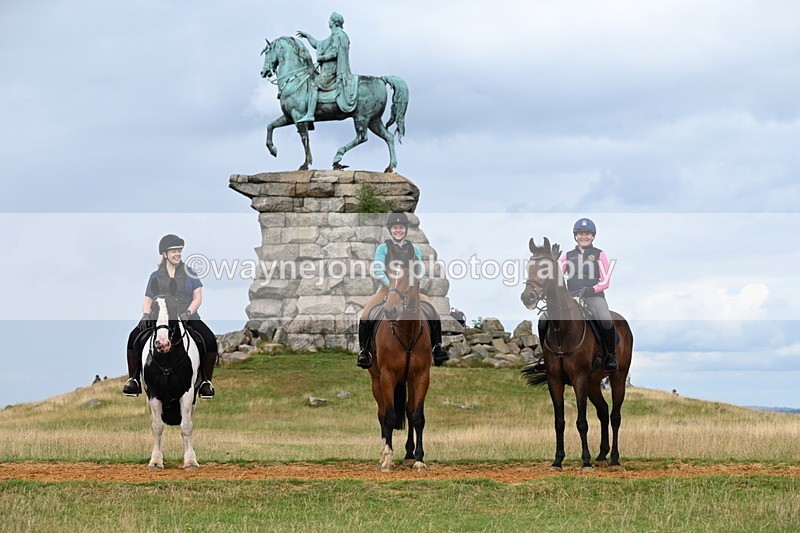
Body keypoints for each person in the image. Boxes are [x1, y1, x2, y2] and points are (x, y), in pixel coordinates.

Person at [122, 234, 219, 398]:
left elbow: (198, 297)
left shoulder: (190, 272)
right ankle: (134, 380)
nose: (177, 254)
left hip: (186, 315)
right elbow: (147, 299)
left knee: (209, 339)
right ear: (165, 254)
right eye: (174, 251)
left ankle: (205, 382)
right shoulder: (155, 276)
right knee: (134, 337)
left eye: (179, 251)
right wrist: (146, 315)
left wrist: (188, 312)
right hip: (160, 316)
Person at [356, 211, 449, 369]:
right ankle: (365, 352)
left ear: (405, 229)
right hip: (387, 288)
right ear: (390, 230)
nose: (398, 230)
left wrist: (411, 284)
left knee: (433, 311)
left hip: (409, 289)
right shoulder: (383, 248)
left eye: (401, 227)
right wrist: (391, 285)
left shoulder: (415, 249)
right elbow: (377, 270)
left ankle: (437, 348)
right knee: (366, 313)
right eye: (395, 228)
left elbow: (419, 269)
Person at [534, 218, 618, 373]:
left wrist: (592, 290)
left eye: (587, 234)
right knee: (543, 319)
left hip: (593, 296)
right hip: (571, 296)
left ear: (593, 236)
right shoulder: (568, 255)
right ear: (575, 236)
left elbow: (606, 281)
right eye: (580, 234)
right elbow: (556, 275)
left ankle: (610, 356)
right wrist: (553, 261)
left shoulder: (599, 254)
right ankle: (545, 356)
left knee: (605, 320)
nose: (583, 237)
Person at [296, 12, 358, 123]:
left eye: (329, 19)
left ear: (334, 22)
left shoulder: (338, 35)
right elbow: (318, 44)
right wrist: (307, 36)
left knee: (313, 84)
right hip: (327, 70)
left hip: (332, 71)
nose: (328, 22)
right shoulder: (332, 36)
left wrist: (321, 58)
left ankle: (310, 114)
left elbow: (334, 53)